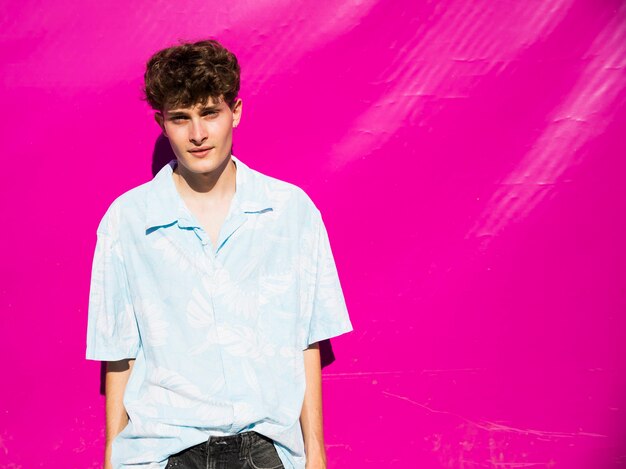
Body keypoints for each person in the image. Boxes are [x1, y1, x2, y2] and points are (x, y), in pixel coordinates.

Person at [85, 39, 353, 469]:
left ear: (236, 112)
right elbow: (118, 353)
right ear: (162, 123)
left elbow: (307, 340)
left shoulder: (289, 212)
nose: (197, 134)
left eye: (210, 113)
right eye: (181, 118)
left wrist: (316, 455)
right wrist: (113, 459)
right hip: (165, 452)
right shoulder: (127, 221)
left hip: (267, 449)